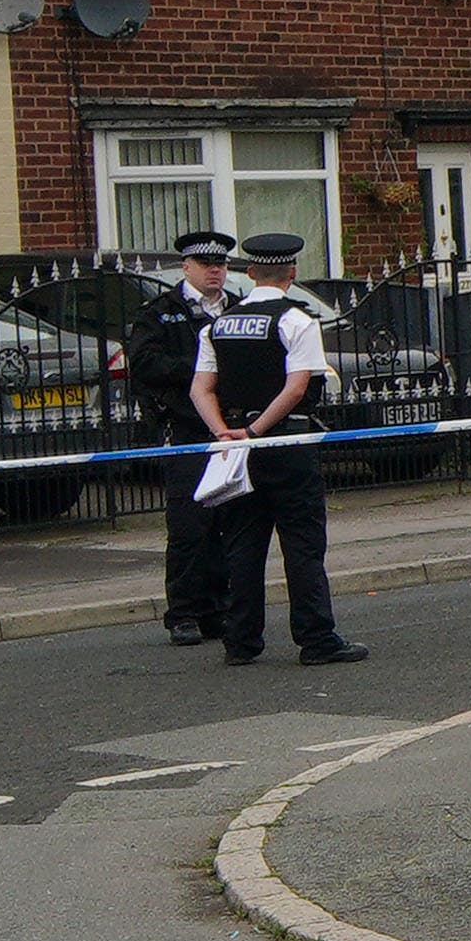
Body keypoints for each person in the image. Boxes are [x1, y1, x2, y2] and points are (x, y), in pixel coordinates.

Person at [190, 233, 367, 667]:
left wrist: (225, 432)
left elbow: (200, 388)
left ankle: (241, 642)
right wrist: (255, 430)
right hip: (284, 443)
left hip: (235, 448)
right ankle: (316, 639)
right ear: (292, 274)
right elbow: (297, 386)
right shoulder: (296, 321)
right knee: (302, 544)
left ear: (249, 274)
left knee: (242, 546)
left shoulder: (218, 324)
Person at [126, 230, 234, 646]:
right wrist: (201, 367)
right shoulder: (160, 313)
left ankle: (217, 609)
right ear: (186, 267)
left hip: (229, 428)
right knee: (190, 525)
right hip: (185, 428)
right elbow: (145, 362)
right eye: (206, 265)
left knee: (226, 521)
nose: (215, 271)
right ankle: (184, 612)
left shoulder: (235, 310)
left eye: (221, 265)